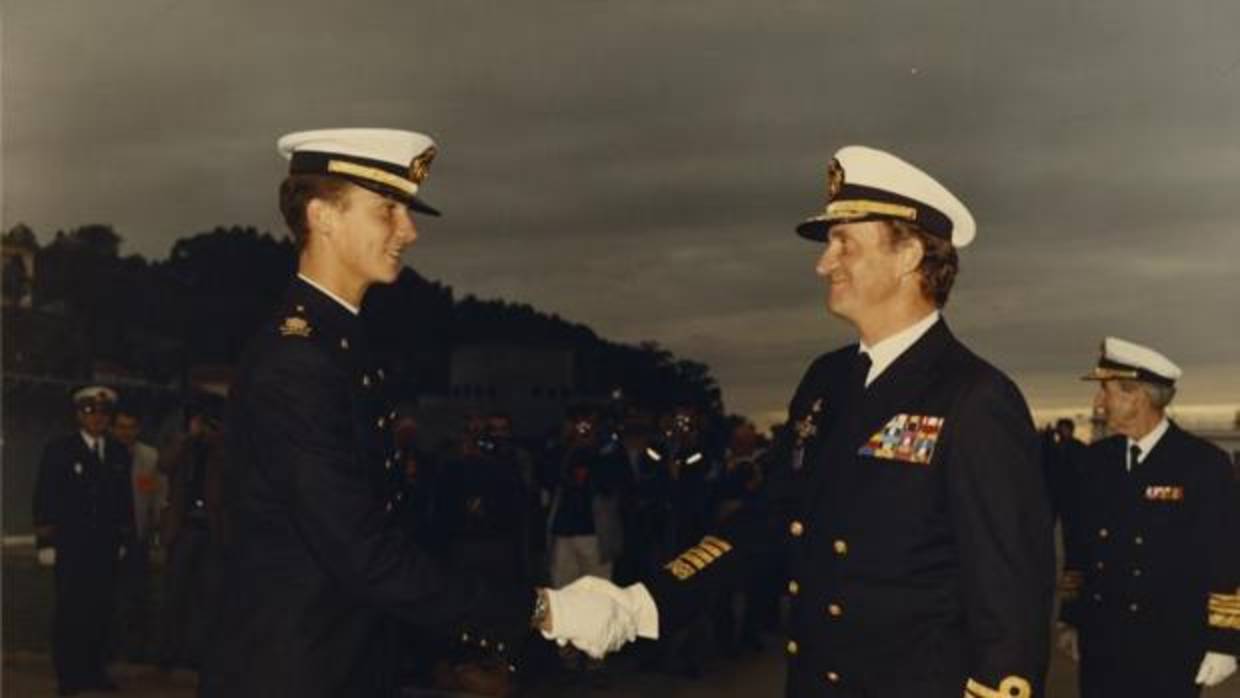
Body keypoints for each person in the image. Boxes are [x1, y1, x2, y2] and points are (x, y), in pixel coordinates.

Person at [546, 146, 1056, 698]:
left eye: (845, 243)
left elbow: (1011, 601)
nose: (823, 263)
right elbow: (773, 518)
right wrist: (644, 602)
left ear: (908, 254)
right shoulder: (827, 381)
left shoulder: (975, 398)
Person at [199, 128, 632, 698]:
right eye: (388, 211)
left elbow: (387, 532)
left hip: (343, 659)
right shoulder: (296, 360)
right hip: (294, 671)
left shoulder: (341, 346)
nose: (409, 230)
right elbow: (360, 551)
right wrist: (540, 611)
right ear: (323, 216)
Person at [1056, 337, 1239, 697]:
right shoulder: (1093, 462)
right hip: (1102, 641)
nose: (1097, 402)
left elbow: (1225, 558)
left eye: (1105, 391)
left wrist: (1224, 641)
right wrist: (1071, 619)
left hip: (1170, 646)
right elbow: (1079, 548)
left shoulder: (1202, 465)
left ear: (1136, 395)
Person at [33, 386, 134, 696]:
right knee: (69, 612)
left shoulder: (117, 452)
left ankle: (94, 672)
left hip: (103, 548)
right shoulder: (59, 450)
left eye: (104, 413)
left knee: (100, 611)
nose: (98, 418)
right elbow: (44, 497)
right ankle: (69, 676)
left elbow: (123, 501)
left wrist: (122, 539)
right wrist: (46, 544)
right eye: (91, 412)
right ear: (79, 415)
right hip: (71, 547)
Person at [110, 401, 166, 663]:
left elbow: (156, 495)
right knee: (107, 593)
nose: (126, 433)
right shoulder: (104, 452)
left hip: (137, 535)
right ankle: (108, 646)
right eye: (121, 427)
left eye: (131, 428)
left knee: (137, 594)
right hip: (106, 538)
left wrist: (155, 530)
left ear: (138, 429)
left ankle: (136, 649)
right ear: (113, 428)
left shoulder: (150, 457)